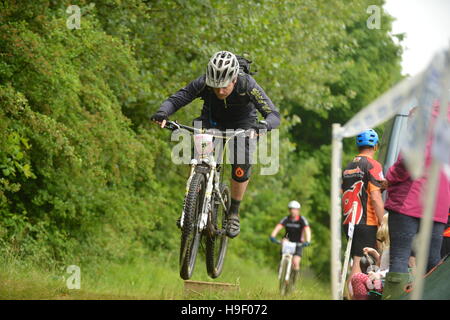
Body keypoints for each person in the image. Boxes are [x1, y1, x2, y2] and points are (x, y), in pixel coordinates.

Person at [151, 51, 280, 238]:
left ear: (234, 79)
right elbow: (178, 98)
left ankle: (234, 212)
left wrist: (263, 125)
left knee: (240, 165)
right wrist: (163, 112)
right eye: (215, 87)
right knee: (199, 156)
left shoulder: (247, 84)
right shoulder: (203, 82)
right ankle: (192, 199)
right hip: (211, 122)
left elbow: (273, 115)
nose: (219, 91)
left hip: (243, 125)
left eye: (224, 87)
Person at [382, 104, 450, 300]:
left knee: (400, 258)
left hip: (409, 200)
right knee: (432, 261)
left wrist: (390, 178)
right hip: (438, 204)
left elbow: (407, 161)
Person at [341, 129, 385, 296]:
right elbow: (375, 197)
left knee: (356, 261)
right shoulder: (373, 165)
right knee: (359, 263)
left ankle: (351, 295)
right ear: (375, 146)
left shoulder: (348, 167)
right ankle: (354, 297)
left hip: (349, 220)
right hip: (367, 220)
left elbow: (342, 192)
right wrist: (383, 223)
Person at [270, 201, 311, 283]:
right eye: (291, 209)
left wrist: (308, 240)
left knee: (295, 263)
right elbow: (278, 227)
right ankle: (282, 268)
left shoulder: (302, 220)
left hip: (298, 243)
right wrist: (273, 236)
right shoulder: (286, 219)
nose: (293, 211)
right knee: (283, 254)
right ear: (289, 210)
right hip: (287, 241)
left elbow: (307, 230)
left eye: (295, 209)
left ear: (298, 210)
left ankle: (293, 282)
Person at [350, 214, 390, 300]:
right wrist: (374, 253)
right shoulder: (388, 247)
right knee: (357, 283)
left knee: (357, 278)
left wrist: (378, 275)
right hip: (380, 283)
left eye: (382, 224)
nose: (380, 226)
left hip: (384, 284)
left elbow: (394, 268)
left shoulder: (394, 248)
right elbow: (384, 265)